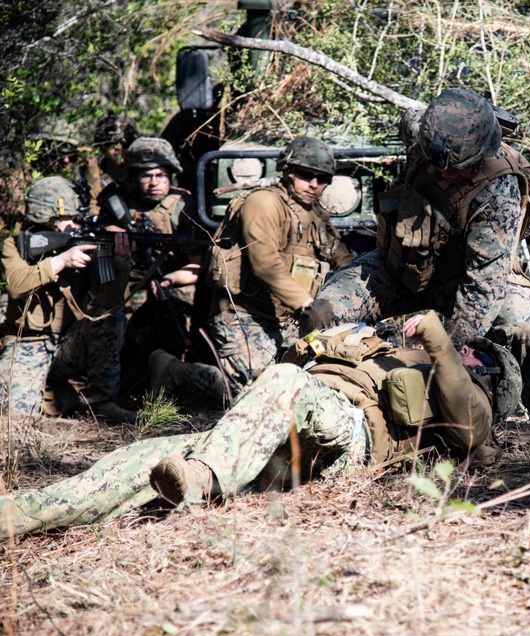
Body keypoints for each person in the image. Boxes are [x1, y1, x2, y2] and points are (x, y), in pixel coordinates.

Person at [0, 310, 520, 542]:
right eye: (467, 347)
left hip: (343, 433)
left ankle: (203, 477)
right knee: (140, 459)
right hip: (274, 433)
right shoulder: (391, 350)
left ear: (488, 375)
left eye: (479, 355)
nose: (468, 349)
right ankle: (19, 515)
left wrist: (443, 343)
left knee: (285, 380)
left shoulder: (468, 393)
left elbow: (472, 433)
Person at [308, 88, 530, 442]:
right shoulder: (424, 130)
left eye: (454, 170)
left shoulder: (498, 193)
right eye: (434, 163)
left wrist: (439, 350)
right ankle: (299, 395)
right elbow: (415, 116)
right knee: (325, 309)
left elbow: (482, 291)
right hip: (402, 270)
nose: (441, 174)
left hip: (469, 283)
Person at [206, 135, 354, 390]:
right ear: (287, 171)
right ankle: (172, 369)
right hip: (246, 317)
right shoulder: (264, 203)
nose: (314, 184)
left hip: (294, 322)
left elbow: (343, 260)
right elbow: (266, 264)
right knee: (253, 393)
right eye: (306, 175)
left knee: (328, 381)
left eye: (323, 179)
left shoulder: (315, 215)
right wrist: (308, 305)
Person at [0, 176, 134, 423]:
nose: (74, 225)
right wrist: (61, 261)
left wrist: (120, 262)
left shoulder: (88, 241)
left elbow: (109, 300)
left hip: (69, 345)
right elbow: (16, 285)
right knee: (16, 417)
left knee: (111, 319)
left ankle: (100, 403)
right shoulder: (14, 244)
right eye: (67, 219)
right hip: (27, 342)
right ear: (46, 217)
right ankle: (55, 394)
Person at [116, 137, 204, 361]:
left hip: (170, 284)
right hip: (126, 286)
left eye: (160, 175)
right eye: (146, 175)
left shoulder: (184, 206)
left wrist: (172, 279)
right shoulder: (118, 205)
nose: (153, 182)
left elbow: (199, 263)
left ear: (170, 175)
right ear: (134, 176)